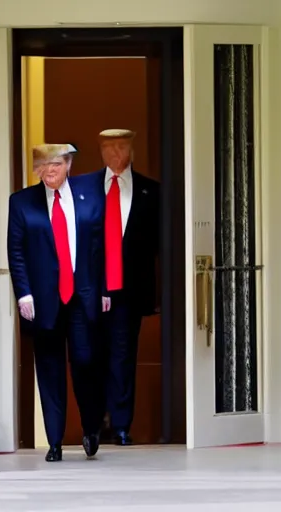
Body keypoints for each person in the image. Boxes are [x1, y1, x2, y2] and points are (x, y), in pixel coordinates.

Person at [7, 144, 108, 462]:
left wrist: (105, 289)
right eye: (42, 165)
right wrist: (23, 292)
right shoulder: (22, 202)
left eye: (55, 164)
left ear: (69, 165)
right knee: (49, 369)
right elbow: (17, 251)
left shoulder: (89, 197)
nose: (49, 170)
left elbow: (100, 247)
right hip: (43, 300)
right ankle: (54, 441)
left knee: (85, 363)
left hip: (82, 297)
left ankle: (91, 427)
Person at [92, 129, 160, 446]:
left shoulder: (151, 191)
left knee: (122, 357)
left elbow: (161, 246)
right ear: (101, 151)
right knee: (88, 355)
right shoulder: (84, 188)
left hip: (128, 291)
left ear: (132, 149)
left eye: (122, 145)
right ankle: (93, 421)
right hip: (90, 289)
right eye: (109, 146)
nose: (116, 152)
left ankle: (120, 424)